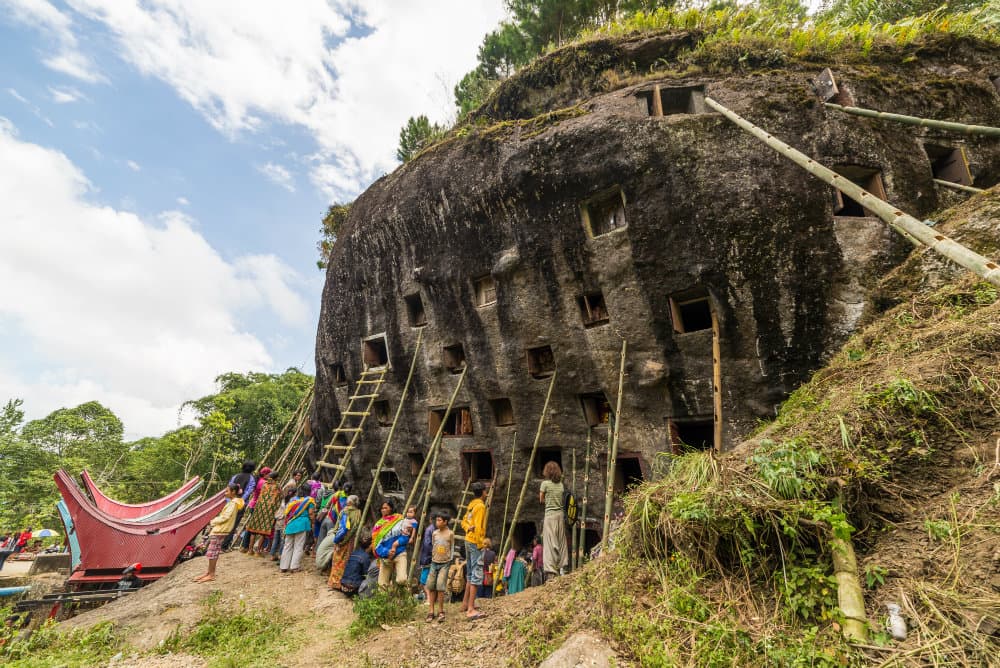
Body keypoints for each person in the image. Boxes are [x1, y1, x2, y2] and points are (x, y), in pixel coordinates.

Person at [195, 483, 244, 583]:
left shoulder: (233, 503)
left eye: (227, 491)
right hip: (221, 529)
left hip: (221, 530)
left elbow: (225, 517)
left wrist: (212, 521)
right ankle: (209, 572)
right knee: (213, 552)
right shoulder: (232, 503)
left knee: (212, 553)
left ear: (233, 492)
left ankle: (211, 574)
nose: (225, 493)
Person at [460, 481, 488, 620]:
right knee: (476, 573)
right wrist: (480, 544)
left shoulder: (472, 504)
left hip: (467, 539)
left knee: (470, 573)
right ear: (483, 492)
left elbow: (463, 521)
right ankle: (471, 609)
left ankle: (465, 603)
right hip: (475, 542)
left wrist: (467, 529)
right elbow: (477, 527)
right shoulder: (481, 506)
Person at [539, 461, 568, 580]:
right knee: (561, 542)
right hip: (560, 515)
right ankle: (563, 567)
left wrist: (547, 500)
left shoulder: (545, 484)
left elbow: (541, 499)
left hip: (550, 515)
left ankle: (551, 570)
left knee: (550, 543)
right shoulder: (561, 485)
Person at [279, 483, 316, 573]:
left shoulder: (293, 499)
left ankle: (283, 566)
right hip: (302, 524)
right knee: (298, 546)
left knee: (287, 545)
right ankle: (294, 567)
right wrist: (313, 523)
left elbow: (287, 512)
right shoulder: (309, 500)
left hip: (290, 523)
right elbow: (311, 514)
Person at [326, 494, 361, 589]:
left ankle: (334, 582)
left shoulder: (343, 511)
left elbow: (337, 526)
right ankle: (342, 582)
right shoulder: (358, 513)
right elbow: (354, 528)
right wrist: (347, 538)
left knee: (336, 561)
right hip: (349, 540)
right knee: (345, 560)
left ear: (349, 502)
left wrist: (338, 539)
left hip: (339, 538)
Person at [425, 512, 454, 623]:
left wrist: (449, 560)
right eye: (436, 520)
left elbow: (451, 547)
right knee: (431, 586)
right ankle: (431, 611)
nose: (437, 522)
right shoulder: (435, 533)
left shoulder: (450, 533)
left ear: (445, 522)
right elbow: (433, 545)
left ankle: (441, 611)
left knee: (440, 586)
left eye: (439, 520)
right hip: (434, 562)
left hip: (445, 563)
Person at [221, 461, 256, 550]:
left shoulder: (235, 476)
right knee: (234, 524)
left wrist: (229, 500)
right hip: (240, 505)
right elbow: (248, 492)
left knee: (225, 521)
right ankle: (225, 545)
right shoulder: (251, 479)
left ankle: (219, 543)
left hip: (230, 503)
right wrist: (240, 501)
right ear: (253, 469)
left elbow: (228, 488)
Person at [245, 470, 281, 555]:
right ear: (276, 478)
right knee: (263, 532)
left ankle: (250, 550)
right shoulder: (277, 486)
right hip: (269, 511)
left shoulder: (264, 484)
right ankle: (258, 552)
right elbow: (279, 498)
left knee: (254, 530)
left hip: (259, 508)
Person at [372, 500, 406, 587]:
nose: (383, 510)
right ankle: (386, 599)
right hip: (386, 557)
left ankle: (399, 593)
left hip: (399, 553)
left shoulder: (399, 519)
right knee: (382, 585)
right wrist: (387, 552)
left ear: (391, 508)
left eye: (385, 508)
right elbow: (376, 545)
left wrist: (395, 545)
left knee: (401, 579)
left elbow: (406, 537)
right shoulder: (378, 525)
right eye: (382, 508)